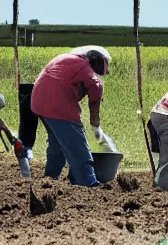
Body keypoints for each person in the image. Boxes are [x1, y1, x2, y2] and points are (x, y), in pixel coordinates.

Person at [30, 46, 116, 187]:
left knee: (57, 142)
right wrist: (96, 125)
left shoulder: (65, 59)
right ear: (98, 61)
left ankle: (50, 177)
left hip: (38, 104)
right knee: (77, 147)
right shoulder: (84, 66)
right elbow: (97, 85)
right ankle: (88, 182)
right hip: (59, 107)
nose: (106, 71)